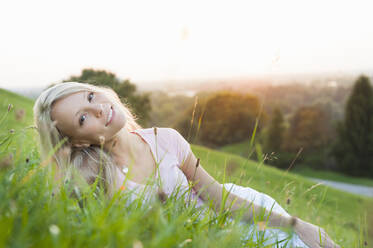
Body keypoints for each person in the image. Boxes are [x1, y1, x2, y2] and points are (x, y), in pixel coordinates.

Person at [33, 82, 340, 248]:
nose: (99, 108)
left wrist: (299, 223)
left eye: (90, 96)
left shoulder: (165, 139)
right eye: (83, 117)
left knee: (314, 241)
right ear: (78, 142)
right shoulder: (93, 179)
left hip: (240, 221)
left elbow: (221, 199)